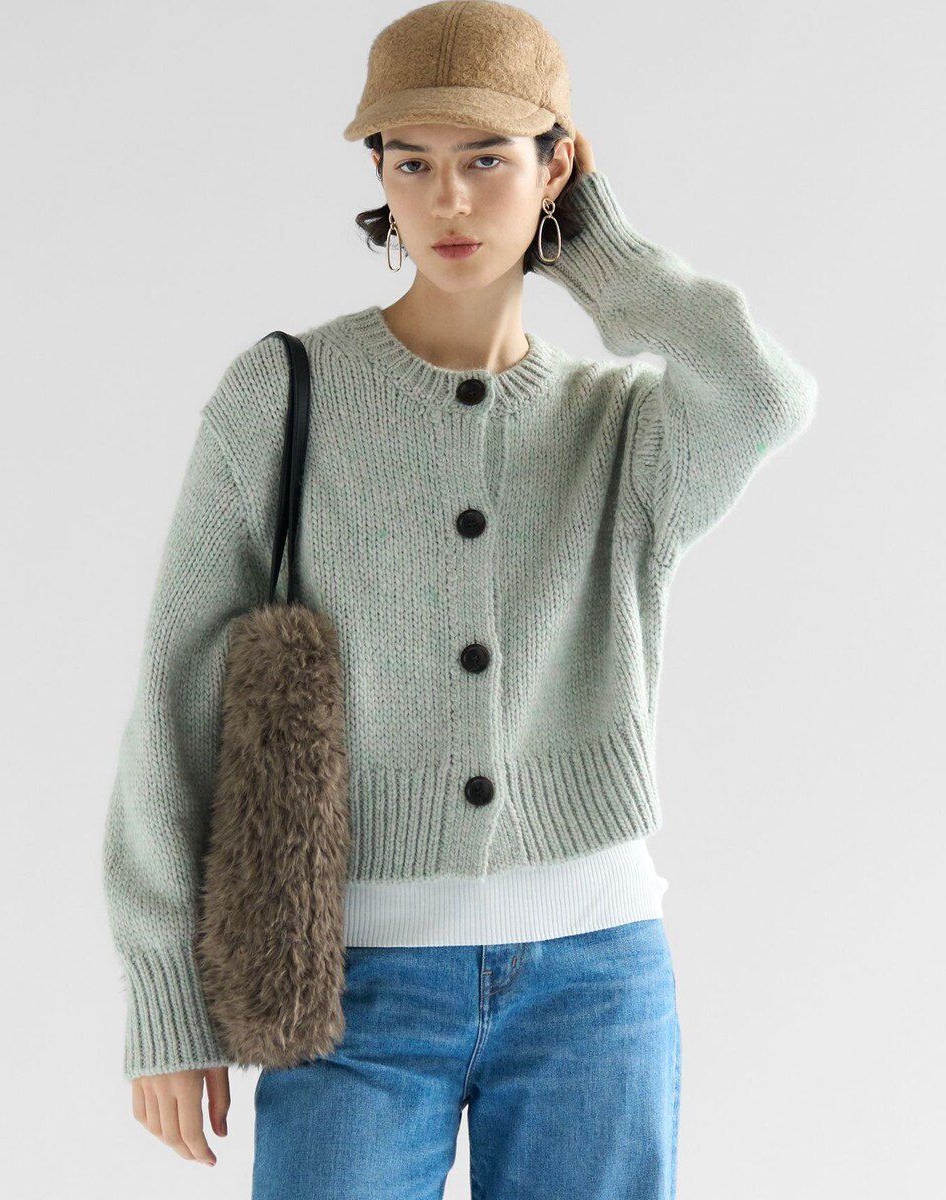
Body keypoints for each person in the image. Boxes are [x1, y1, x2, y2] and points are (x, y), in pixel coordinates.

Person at [102, 3, 818, 1197]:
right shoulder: (282, 397)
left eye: (487, 160)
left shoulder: (622, 429)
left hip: (595, 980)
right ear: (378, 175)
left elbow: (765, 393)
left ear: (557, 169)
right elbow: (175, 702)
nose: (446, 200)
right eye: (410, 162)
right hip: (351, 987)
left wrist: (598, 250)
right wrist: (166, 994)